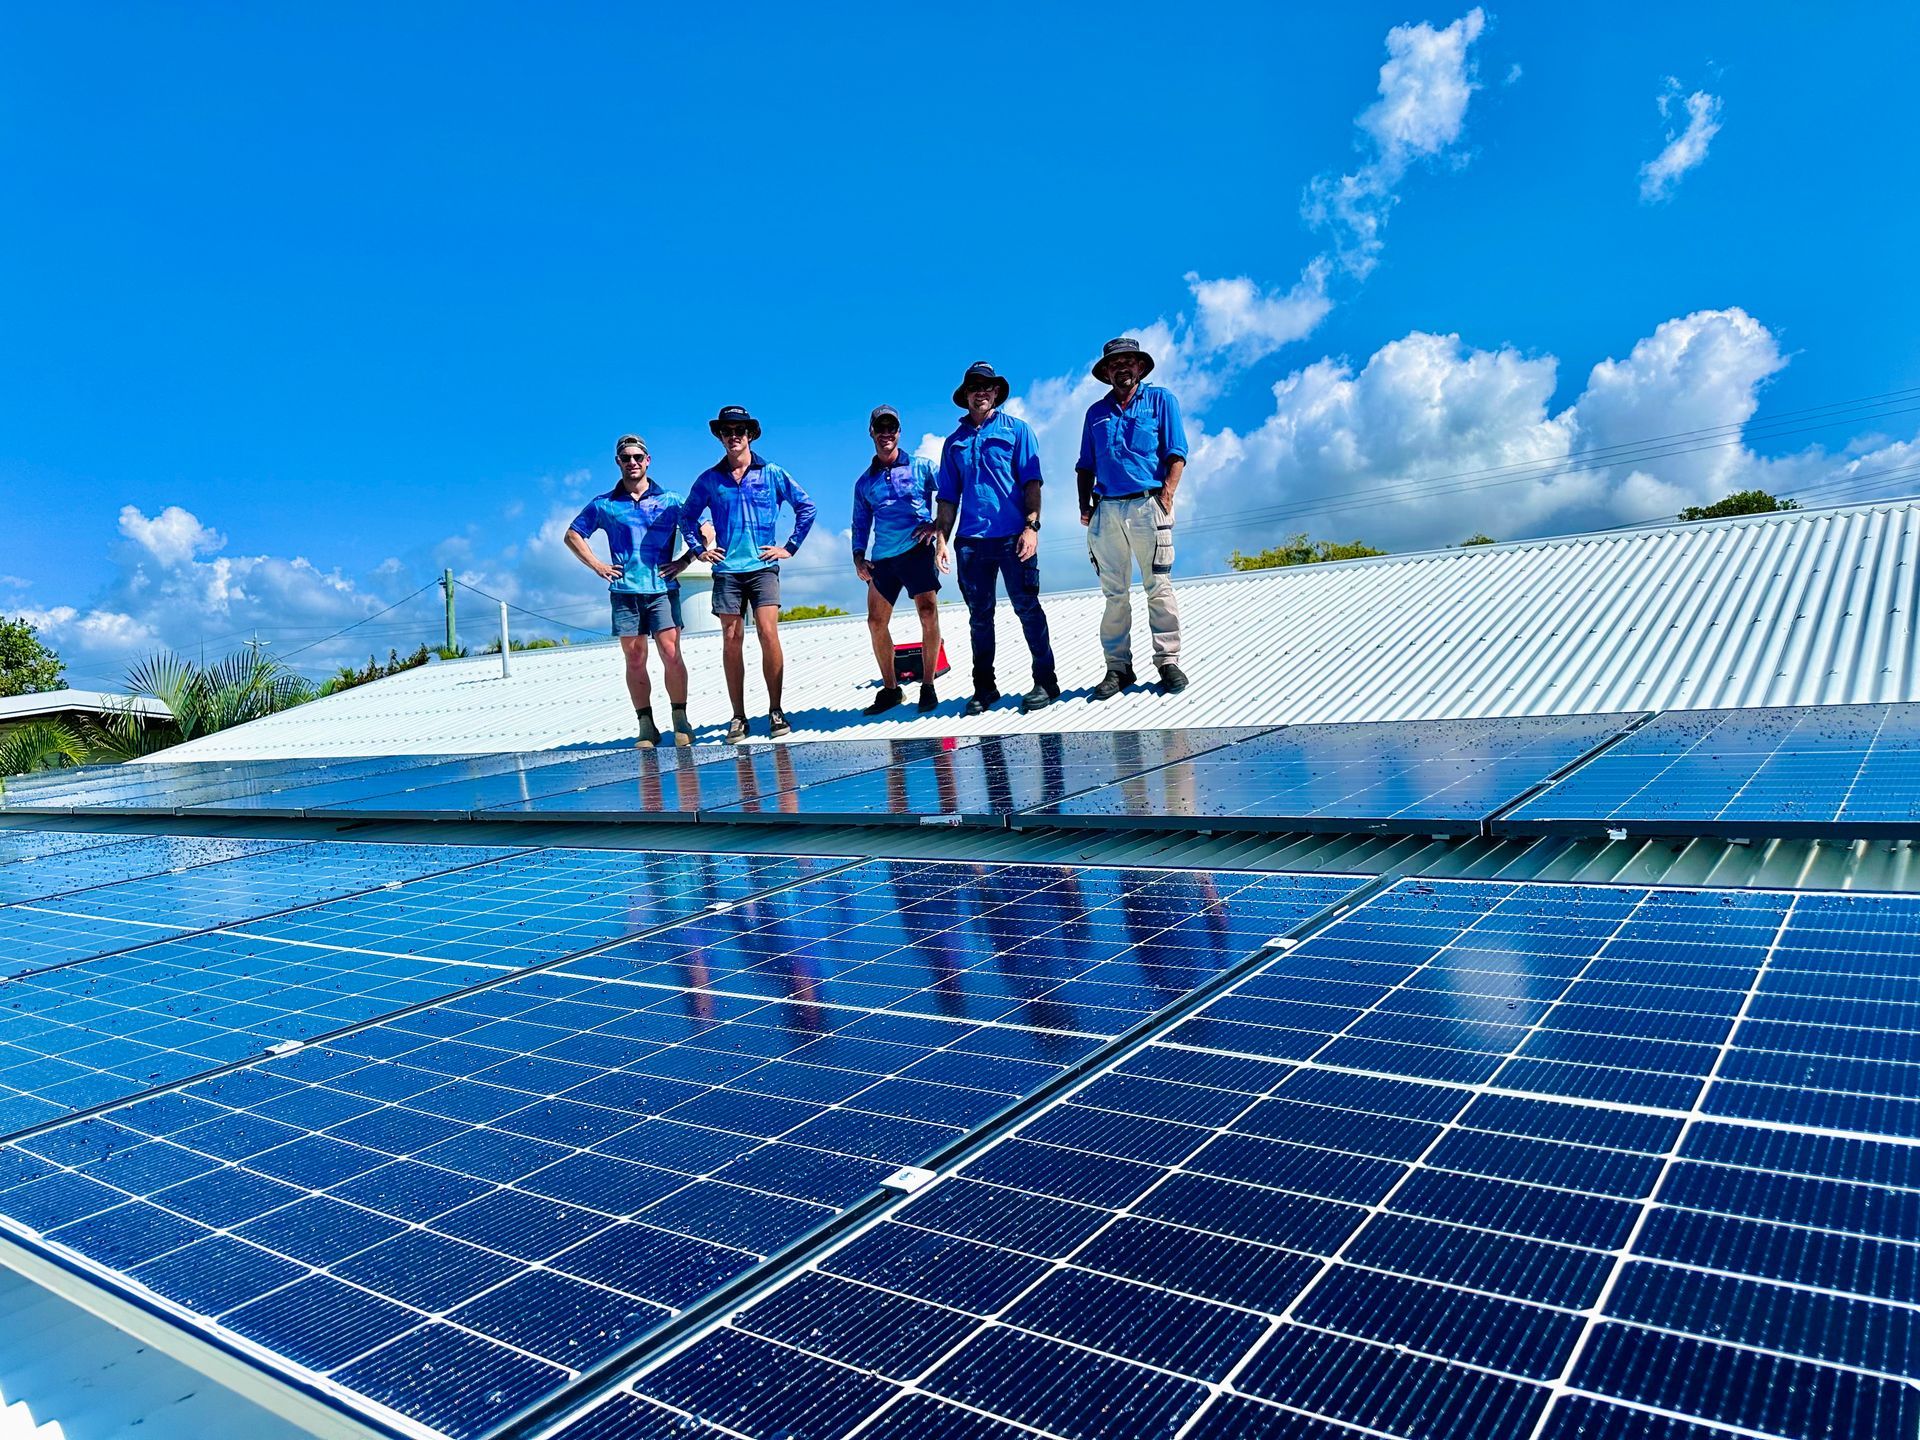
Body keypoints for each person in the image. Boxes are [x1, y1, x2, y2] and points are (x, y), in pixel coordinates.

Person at [920, 362, 1057, 716]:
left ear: (996, 393)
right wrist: (941, 541)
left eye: (988, 386)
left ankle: (1046, 681)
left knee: (1027, 608)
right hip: (970, 543)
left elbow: (1032, 482)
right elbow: (948, 497)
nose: (981, 391)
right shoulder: (953, 443)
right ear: (965, 395)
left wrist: (1032, 527)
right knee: (979, 617)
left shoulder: (1018, 431)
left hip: (1014, 537)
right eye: (974, 386)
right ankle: (985, 687)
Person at [683, 405, 817, 741]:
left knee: (768, 633)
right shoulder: (709, 480)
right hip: (727, 570)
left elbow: (806, 506)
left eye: (739, 430)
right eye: (727, 431)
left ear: (750, 435)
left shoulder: (771, 472)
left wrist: (790, 546)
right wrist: (700, 550)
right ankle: (738, 716)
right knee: (731, 639)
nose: (733, 436)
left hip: (763, 567)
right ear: (720, 436)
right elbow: (686, 518)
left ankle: (775, 710)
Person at [564, 433, 698, 747]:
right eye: (627, 458)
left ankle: (680, 720)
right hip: (625, 591)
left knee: (670, 652)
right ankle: (646, 725)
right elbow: (572, 535)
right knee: (635, 657)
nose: (633, 463)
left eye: (638, 457)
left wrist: (685, 560)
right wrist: (598, 566)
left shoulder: (672, 500)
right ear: (618, 462)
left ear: (648, 460)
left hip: (662, 587)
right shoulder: (605, 504)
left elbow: (704, 528)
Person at [1076, 337, 1189, 697]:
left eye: (1128, 361)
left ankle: (1168, 660)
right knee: (1114, 594)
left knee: (1158, 586)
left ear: (1140, 366)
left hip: (1147, 503)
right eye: (1114, 363)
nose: (1121, 368)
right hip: (1106, 508)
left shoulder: (1161, 400)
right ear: (1106, 371)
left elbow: (1176, 452)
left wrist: (1167, 496)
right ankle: (1118, 667)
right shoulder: (1095, 413)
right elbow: (1085, 465)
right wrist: (1085, 507)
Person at [851, 404, 947, 715]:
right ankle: (891, 689)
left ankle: (928, 685)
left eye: (891, 427)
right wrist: (858, 556)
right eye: (880, 428)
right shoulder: (865, 483)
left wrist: (937, 525)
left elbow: (949, 492)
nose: (886, 433)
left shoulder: (921, 466)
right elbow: (860, 522)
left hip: (917, 550)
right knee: (875, 622)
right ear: (872, 433)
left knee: (928, 613)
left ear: (899, 432)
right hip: (883, 559)